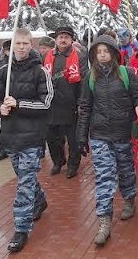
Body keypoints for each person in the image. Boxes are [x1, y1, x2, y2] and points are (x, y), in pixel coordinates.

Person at [0, 28, 53, 252]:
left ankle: (21, 228)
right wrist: (1, 109)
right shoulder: (3, 72)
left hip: (32, 136)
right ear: (12, 46)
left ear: (31, 45)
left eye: (26, 43)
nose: (22, 47)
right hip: (10, 135)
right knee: (24, 176)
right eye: (18, 43)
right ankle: (40, 199)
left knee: (24, 182)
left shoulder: (40, 72)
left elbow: (46, 103)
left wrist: (19, 104)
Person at [77, 35, 138, 246]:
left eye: (106, 51)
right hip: (100, 135)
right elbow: (85, 107)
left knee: (125, 171)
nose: (102, 55)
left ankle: (129, 199)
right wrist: (81, 135)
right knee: (104, 176)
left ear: (114, 53)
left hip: (123, 133)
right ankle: (104, 222)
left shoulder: (126, 74)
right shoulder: (90, 77)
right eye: (99, 52)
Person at [44, 26, 88, 177]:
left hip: (71, 103)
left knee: (73, 140)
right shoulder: (48, 55)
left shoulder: (80, 56)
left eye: (66, 37)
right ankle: (58, 161)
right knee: (52, 138)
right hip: (51, 104)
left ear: (71, 40)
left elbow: (84, 80)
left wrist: (82, 101)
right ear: (55, 40)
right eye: (60, 37)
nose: (63, 40)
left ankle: (73, 165)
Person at [0, 40, 11, 162]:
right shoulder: (0, 63)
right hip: (4, 98)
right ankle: (3, 149)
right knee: (4, 128)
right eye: (8, 50)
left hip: (18, 98)